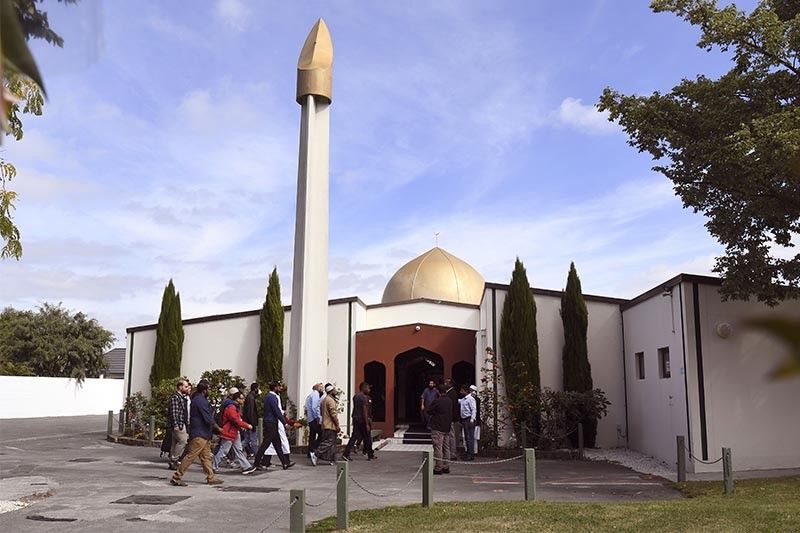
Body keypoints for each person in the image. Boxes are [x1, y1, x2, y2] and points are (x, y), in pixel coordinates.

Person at [170, 381, 223, 486]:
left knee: (206, 457)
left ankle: (211, 477)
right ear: (204, 390)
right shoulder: (200, 401)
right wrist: (219, 429)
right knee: (191, 456)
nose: (210, 391)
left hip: (203, 433)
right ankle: (177, 476)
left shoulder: (198, 399)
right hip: (200, 433)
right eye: (209, 389)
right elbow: (208, 418)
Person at [254, 381, 295, 471]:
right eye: (278, 387)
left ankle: (284, 463)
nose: (279, 388)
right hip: (271, 423)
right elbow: (277, 412)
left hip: (272, 423)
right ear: (275, 387)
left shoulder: (270, 397)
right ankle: (256, 463)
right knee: (265, 444)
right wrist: (285, 423)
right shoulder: (272, 397)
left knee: (277, 444)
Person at [213, 391, 256, 475]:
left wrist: (242, 425)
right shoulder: (232, 408)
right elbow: (235, 420)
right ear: (237, 399)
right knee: (224, 450)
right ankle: (213, 466)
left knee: (237, 449)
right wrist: (247, 425)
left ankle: (246, 466)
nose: (243, 400)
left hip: (233, 432)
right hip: (229, 432)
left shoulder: (234, 407)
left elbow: (237, 420)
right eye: (242, 398)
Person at [342, 382, 375, 461]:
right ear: (363, 388)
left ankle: (346, 454)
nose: (369, 390)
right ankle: (370, 455)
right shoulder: (364, 398)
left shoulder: (355, 396)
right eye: (368, 388)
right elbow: (364, 411)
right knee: (367, 437)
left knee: (354, 437)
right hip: (362, 420)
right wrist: (367, 423)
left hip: (356, 419)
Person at [426, 383, 453, 474]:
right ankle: (446, 466)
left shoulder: (437, 401)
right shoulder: (449, 401)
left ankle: (438, 467)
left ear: (438, 391)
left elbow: (429, 411)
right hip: (447, 426)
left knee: (438, 447)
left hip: (438, 426)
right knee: (446, 447)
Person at [166, 378, 191, 470]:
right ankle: (174, 459)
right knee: (183, 441)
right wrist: (176, 425)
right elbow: (174, 412)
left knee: (175, 442)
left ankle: (172, 461)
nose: (187, 388)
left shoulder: (180, 397)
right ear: (180, 387)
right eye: (185, 386)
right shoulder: (175, 397)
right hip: (179, 424)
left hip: (180, 423)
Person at [314, 383, 340, 464]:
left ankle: (333, 459)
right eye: (334, 390)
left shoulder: (325, 399)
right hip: (330, 425)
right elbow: (333, 414)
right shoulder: (330, 400)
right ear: (331, 391)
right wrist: (337, 425)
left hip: (325, 424)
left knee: (332, 443)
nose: (335, 391)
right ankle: (316, 453)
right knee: (329, 442)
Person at [304, 383, 323, 465]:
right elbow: (315, 407)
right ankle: (314, 449)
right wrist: (318, 417)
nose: (322, 389)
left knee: (312, 435)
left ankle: (310, 450)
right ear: (317, 388)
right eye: (321, 387)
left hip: (310, 418)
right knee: (321, 434)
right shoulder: (316, 395)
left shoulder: (310, 395)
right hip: (314, 419)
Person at [443, 378, 460, 460]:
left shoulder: (452, 393)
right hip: (450, 418)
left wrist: (449, 418)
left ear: (450, 384)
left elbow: (451, 407)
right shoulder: (450, 392)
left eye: (446, 382)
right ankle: (449, 452)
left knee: (451, 435)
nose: (445, 384)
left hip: (451, 418)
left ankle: (452, 453)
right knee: (450, 435)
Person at [242, 382, 260, 457]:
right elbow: (251, 412)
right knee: (253, 441)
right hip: (251, 422)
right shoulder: (251, 398)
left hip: (249, 422)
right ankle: (257, 457)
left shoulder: (250, 397)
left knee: (247, 440)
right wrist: (252, 424)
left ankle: (235, 451)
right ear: (255, 389)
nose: (259, 390)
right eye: (258, 388)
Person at [459, 385, 476, 460]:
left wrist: (472, 419)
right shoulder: (463, 399)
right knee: (466, 437)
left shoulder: (470, 399)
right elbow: (459, 402)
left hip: (468, 419)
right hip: (464, 419)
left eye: (462, 390)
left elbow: (473, 409)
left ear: (466, 391)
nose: (460, 392)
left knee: (469, 437)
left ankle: (470, 454)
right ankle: (468, 452)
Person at [470, 384, 481, 452]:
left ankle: (474, 451)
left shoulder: (476, 400)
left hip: (475, 420)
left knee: (474, 437)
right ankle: (473, 450)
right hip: (475, 419)